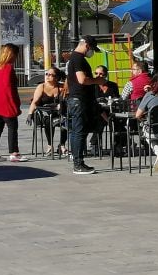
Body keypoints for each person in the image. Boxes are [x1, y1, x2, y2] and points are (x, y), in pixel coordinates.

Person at [66, 35, 108, 175]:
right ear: (87, 46)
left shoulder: (74, 57)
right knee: (79, 131)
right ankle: (78, 163)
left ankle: (76, 159)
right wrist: (98, 81)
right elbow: (82, 80)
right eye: (92, 49)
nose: (92, 53)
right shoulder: (78, 58)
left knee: (76, 131)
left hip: (77, 99)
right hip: (79, 99)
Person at [0, 43, 26, 162]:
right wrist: (15, 104)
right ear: (11, 54)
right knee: (12, 127)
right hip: (6, 102)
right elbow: (9, 88)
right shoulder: (8, 68)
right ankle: (14, 152)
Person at [27, 67, 66, 155]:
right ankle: (50, 145)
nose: (48, 76)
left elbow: (66, 101)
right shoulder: (42, 87)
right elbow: (34, 102)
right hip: (42, 114)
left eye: (51, 75)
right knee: (49, 121)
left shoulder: (62, 87)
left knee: (66, 119)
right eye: (47, 74)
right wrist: (30, 114)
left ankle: (62, 145)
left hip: (57, 113)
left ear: (57, 77)